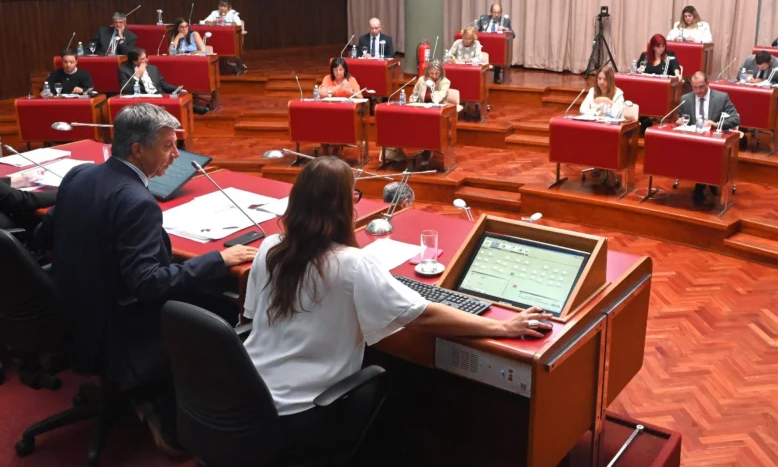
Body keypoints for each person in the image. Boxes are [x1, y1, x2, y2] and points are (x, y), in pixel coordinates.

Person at [241, 156, 550, 462]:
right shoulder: (353, 265)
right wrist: (502, 327)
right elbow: (423, 314)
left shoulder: (269, 248)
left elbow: (251, 318)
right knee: (401, 388)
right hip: (303, 414)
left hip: (247, 402)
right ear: (345, 207)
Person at [32, 103, 258, 453]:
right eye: (168, 145)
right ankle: (161, 402)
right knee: (217, 311)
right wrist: (218, 259)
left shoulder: (80, 176)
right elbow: (149, 284)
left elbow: (44, 237)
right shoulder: (138, 201)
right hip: (114, 328)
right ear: (137, 149)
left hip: (69, 312)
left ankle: (146, 393)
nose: (175, 155)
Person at [675, 72, 741, 204]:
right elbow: (680, 116)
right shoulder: (686, 99)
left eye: (701, 87)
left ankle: (701, 185)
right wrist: (680, 120)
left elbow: (735, 119)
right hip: (693, 140)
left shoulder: (721, 98)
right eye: (695, 87)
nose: (698, 91)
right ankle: (706, 181)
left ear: (708, 84)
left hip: (714, 141)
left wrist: (716, 124)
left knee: (705, 154)